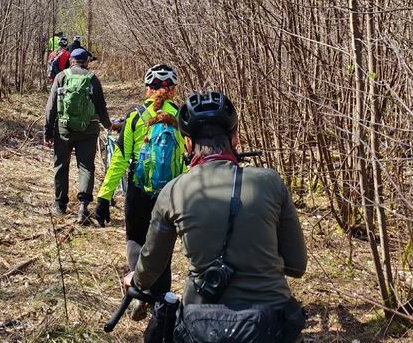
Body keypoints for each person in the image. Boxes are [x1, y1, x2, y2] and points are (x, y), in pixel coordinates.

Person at [123, 91, 308, 343]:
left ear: (188, 144)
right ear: (235, 138)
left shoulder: (173, 191)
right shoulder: (270, 182)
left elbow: (151, 266)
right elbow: (297, 266)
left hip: (201, 323)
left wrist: (136, 278)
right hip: (270, 322)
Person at [94, 64, 186, 339]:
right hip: (170, 193)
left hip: (138, 192)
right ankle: (160, 308)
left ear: (148, 89)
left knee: (135, 240)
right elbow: (186, 161)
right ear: (172, 90)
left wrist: (104, 196)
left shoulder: (135, 116)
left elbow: (120, 160)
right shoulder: (182, 117)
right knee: (163, 249)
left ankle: (137, 289)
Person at [44, 47, 113, 223]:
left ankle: (60, 205)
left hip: (64, 129)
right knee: (86, 167)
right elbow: (101, 106)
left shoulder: (61, 77)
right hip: (88, 130)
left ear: (70, 61)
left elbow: (51, 107)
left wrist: (48, 131)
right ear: (86, 62)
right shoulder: (92, 79)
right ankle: (83, 206)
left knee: (61, 165)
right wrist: (108, 125)